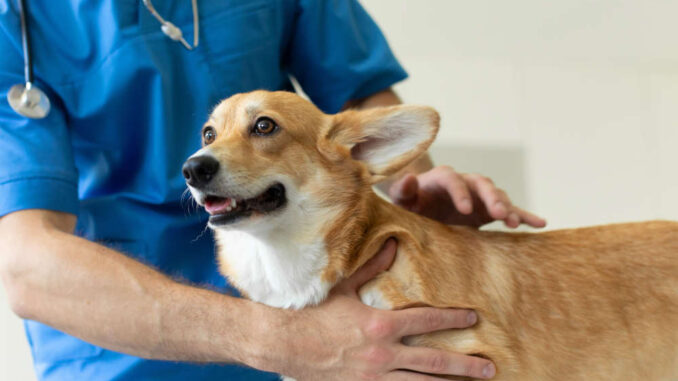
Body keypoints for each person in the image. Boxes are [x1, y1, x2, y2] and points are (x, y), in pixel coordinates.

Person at [0, 1, 545, 380]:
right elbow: (27, 265)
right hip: (126, 350)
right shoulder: (14, 25)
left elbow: (358, 105)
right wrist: (285, 342)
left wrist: (413, 186)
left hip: (338, 316)